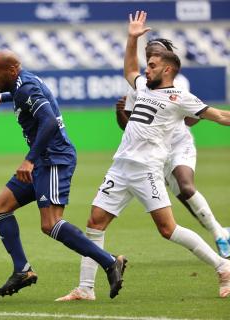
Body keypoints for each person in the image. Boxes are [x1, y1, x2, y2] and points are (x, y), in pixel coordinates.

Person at [55, 11, 230, 302]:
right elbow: (128, 70)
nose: (146, 70)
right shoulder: (142, 87)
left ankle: (224, 267)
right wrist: (132, 38)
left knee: (167, 229)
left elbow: (221, 115)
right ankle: (86, 288)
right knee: (95, 222)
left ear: (168, 70)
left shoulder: (180, 97)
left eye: (152, 66)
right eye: (147, 65)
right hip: (121, 167)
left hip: (147, 169)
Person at [0, 49, 127, 299]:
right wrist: (1, 98)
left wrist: (29, 160)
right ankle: (22, 270)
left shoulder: (26, 87)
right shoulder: (22, 83)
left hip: (53, 158)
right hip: (43, 159)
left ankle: (110, 261)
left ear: (12, 70)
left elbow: (48, 121)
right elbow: (21, 95)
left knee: (50, 223)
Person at [115, 39, 230, 258]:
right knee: (185, 199)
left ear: (166, 57)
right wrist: (119, 112)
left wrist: (187, 115)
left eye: (155, 55)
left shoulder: (179, 84)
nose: (150, 60)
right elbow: (129, 125)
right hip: (156, 153)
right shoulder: (140, 86)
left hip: (178, 142)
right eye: (148, 56)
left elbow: (196, 115)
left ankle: (218, 236)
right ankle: (221, 232)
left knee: (186, 187)